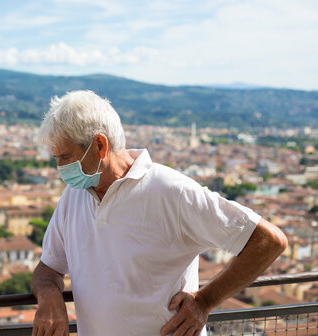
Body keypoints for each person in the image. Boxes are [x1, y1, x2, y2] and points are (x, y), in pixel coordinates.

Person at [31, 90, 287, 336]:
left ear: (100, 144)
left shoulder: (171, 191)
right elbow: (47, 269)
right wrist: (48, 296)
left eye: (66, 157)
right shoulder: (74, 196)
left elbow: (269, 241)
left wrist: (205, 301)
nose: (60, 168)